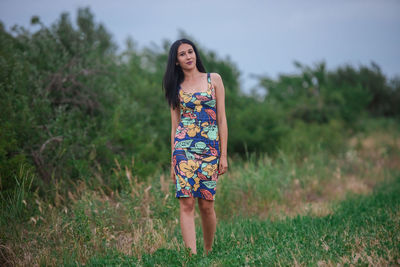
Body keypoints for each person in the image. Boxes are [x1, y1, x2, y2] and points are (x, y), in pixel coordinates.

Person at [162, 38, 228, 256]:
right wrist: (173, 162)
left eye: (190, 52)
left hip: (210, 148)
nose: (188, 56)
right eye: (182, 54)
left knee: (206, 204)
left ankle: (208, 253)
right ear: (176, 62)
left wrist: (223, 156)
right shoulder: (176, 87)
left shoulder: (214, 79)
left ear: (195, 54)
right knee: (187, 203)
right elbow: (174, 127)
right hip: (184, 148)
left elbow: (222, 120)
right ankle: (192, 256)